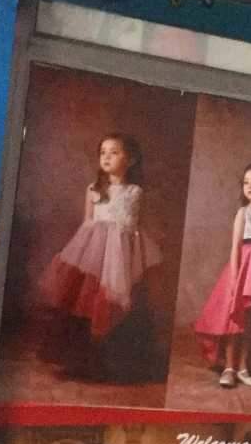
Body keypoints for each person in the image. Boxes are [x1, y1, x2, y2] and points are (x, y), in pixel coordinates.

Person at [38, 133, 162, 381]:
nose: (106, 157)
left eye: (114, 152)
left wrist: (133, 255)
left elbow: (136, 227)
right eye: (103, 152)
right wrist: (78, 252)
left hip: (122, 254)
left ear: (130, 160)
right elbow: (88, 222)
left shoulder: (135, 192)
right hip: (94, 252)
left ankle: (118, 361)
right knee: (88, 300)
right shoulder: (93, 189)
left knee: (120, 302)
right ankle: (82, 359)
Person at [195, 163, 251, 388]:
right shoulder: (243, 213)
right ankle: (229, 368)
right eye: (246, 182)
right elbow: (235, 247)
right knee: (236, 321)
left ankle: (243, 367)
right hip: (243, 273)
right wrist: (235, 277)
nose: (250, 186)